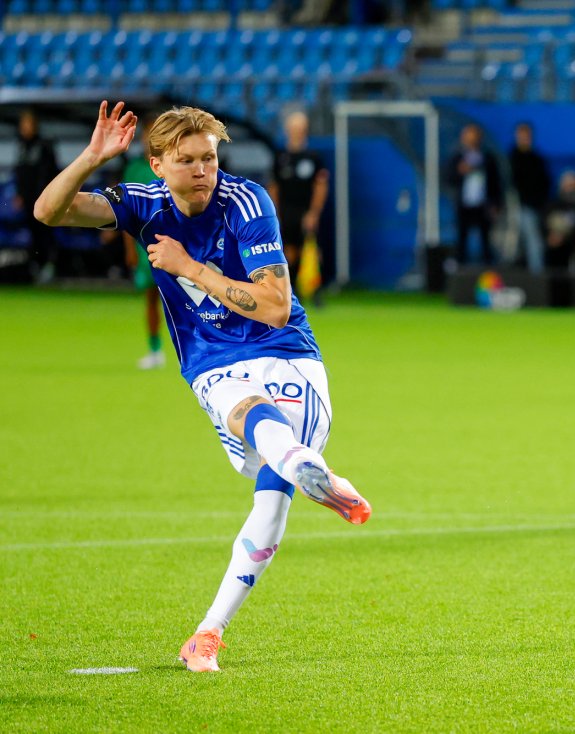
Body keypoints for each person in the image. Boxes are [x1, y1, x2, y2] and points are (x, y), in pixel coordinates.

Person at [34, 101, 371, 672]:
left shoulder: (247, 202)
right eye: (187, 160)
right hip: (213, 365)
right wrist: (92, 156)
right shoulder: (142, 204)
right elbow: (49, 212)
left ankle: (212, 625)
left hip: (287, 358)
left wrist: (189, 267)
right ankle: (302, 477)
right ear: (158, 164)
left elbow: (274, 307)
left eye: (209, 158)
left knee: (267, 465)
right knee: (266, 476)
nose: (202, 170)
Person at [119, 119, 166, 369]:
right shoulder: (135, 168)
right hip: (143, 242)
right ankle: (155, 348)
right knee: (151, 297)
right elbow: (125, 211)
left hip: (175, 240)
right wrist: (129, 249)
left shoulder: (173, 165)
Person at [268, 110, 329, 295]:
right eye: (294, 128)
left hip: (306, 209)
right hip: (286, 210)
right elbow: (273, 186)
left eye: (300, 128)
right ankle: (291, 289)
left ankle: (316, 290)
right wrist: (275, 213)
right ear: (287, 130)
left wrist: (314, 212)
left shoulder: (313, 157)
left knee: (311, 248)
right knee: (288, 250)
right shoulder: (280, 156)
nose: (297, 132)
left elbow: (321, 186)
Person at [15, 109, 60, 284]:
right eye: (23, 124)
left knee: (46, 233)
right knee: (33, 234)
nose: (26, 128)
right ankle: (36, 266)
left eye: (29, 124)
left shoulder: (44, 146)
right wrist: (20, 194)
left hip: (44, 200)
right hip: (27, 200)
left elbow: (50, 173)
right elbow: (20, 173)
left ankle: (50, 266)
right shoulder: (22, 147)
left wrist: (45, 195)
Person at [446, 124, 502, 266]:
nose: (471, 140)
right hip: (464, 205)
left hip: (483, 206)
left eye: (474, 136)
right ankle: (460, 274)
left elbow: (495, 183)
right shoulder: (457, 157)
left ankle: (488, 275)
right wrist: (460, 171)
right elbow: (448, 178)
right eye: (468, 136)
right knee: (461, 240)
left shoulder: (488, 158)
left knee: (485, 241)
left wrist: (496, 204)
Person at [508, 122, 551, 274]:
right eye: (522, 135)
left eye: (527, 135)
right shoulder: (511, 158)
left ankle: (536, 278)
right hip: (515, 207)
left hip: (533, 207)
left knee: (534, 243)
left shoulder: (537, 158)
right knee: (514, 246)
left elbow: (544, 183)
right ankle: (515, 277)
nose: (525, 138)